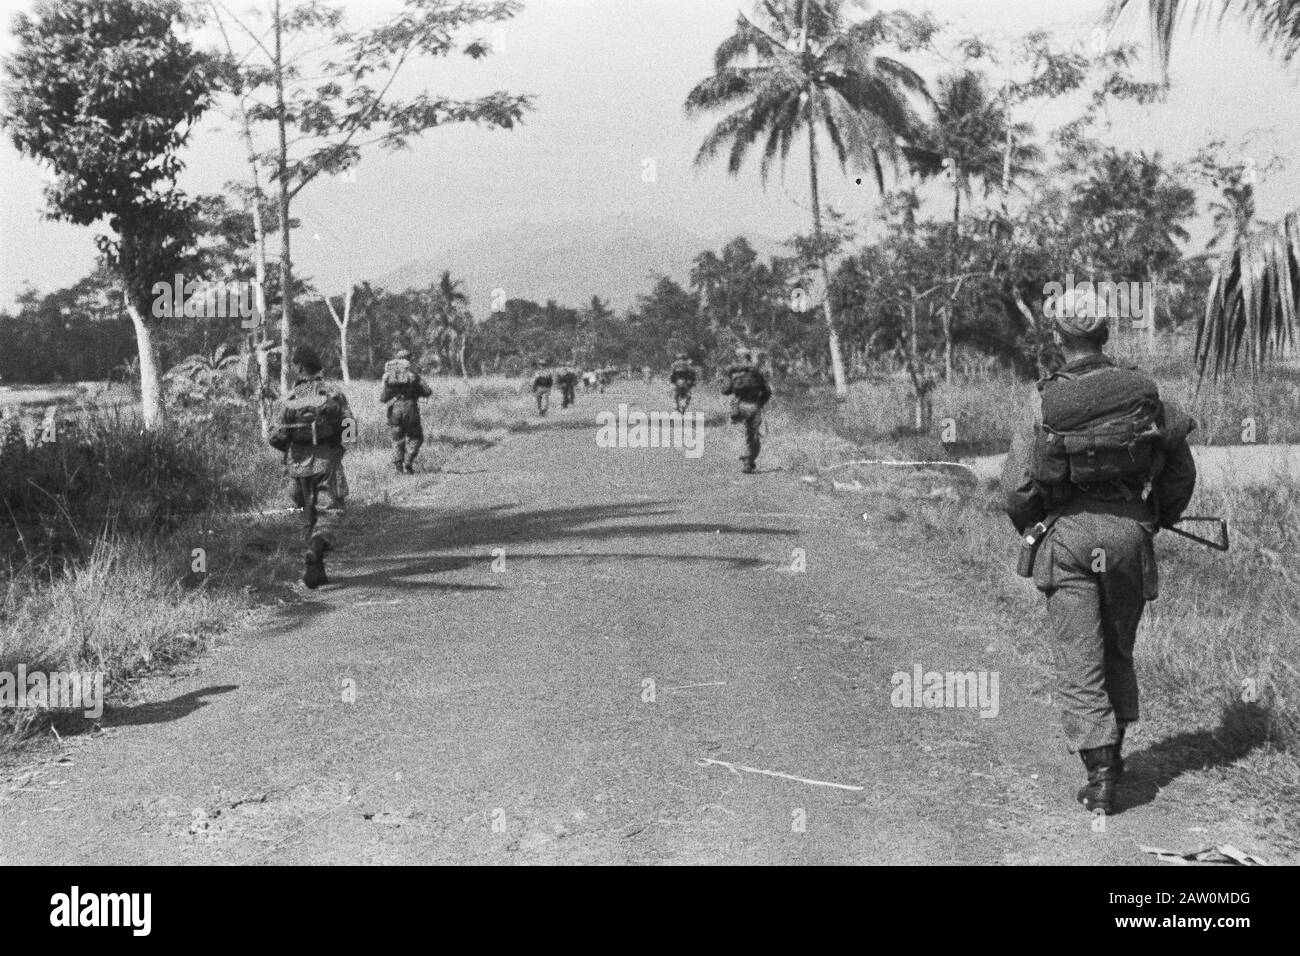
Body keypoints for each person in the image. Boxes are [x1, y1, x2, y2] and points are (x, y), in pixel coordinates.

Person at [1000, 291, 1196, 815]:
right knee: (1116, 647)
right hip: (1131, 535)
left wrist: (1035, 528)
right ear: (1105, 334)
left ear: (1059, 339)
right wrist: (1156, 520)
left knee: (1078, 658)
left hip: (1068, 537)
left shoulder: (1043, 401)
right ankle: (1116, 755)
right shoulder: (1144, 394)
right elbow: (1179, 471)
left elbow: (1018, 488)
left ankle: (1102, 774)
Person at [269, 346, 353, 589]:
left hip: (298, 464)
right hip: (327, 459)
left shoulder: (289, 399)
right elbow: (350, 424)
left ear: (298, 368)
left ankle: (314, 571)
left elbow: (275, 436)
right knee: (330, 511)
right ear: (318, 368)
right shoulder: (333, 393)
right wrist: (340, 448)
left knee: (308, 515)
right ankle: (317, 548)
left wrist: (292, 450)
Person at [380, 348, 432, 474]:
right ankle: (408, 462)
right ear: (410, 359)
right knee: (416, 437)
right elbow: (427, 391)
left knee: (397, 439)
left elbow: (383, 398)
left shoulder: (389, 377)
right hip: (410, 409)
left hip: (394, 411)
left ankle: (398, 469)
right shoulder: (413, 376)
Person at [721, 349, 771, 474]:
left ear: (738, 358)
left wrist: (729, 380)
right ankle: (749, 459)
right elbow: (767, 391)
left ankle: (746, 457)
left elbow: (725, 391)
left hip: (739, 408)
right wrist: (761, 402)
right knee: (753, 435)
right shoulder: (756, 373)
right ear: (749, 358)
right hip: (754, 406)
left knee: (747, 433)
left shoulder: (734, 373)